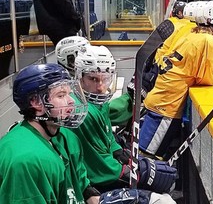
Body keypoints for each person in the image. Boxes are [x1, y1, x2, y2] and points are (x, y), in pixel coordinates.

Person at [56, 37, 178, 196]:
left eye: (105, 79)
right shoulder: (80, 111)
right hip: (92, 182)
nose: (100, 88)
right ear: (78, 72)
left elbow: (106, 139)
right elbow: (96, 163)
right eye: (93, 79)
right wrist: (125, 172)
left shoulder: (95, 102)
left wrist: (119, 151)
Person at [139, 0, 213, 160]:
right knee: (147, 161)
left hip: (159, 101)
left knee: (148, 159)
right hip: (165, 109)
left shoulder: (193, 34)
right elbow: (205, 79)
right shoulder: (209, 41)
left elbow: (189, 67)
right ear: (210, 20)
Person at [0, 63, 101, 203]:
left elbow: (78, 182)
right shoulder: (26, 160)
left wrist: (93, 196)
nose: (71, 101)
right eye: (61, 95)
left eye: (69, 94)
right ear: (35, 101)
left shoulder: (64, 135)